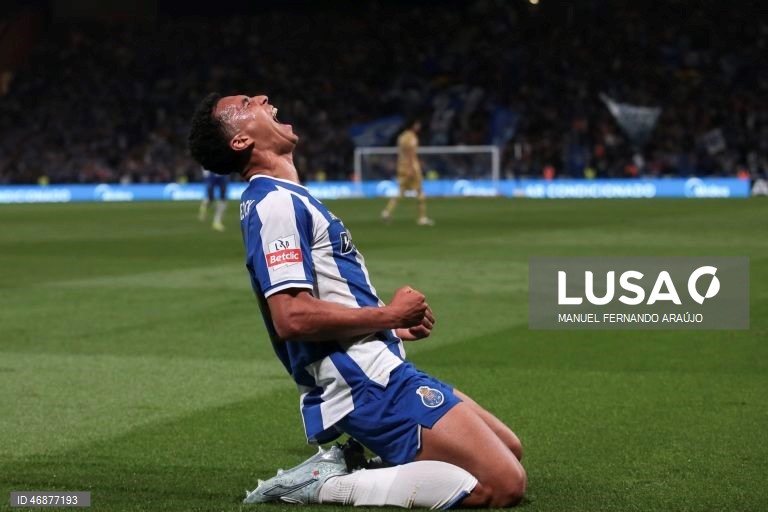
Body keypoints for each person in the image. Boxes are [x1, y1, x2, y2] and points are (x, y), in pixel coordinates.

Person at [188, 92, 526, 508]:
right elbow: (291, 317)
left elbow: (324, 295)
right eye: (245, 102)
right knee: (502, 485)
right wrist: (388, 312)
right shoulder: (274, 204)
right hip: (364, 383)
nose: (261, 97)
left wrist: (386, 325)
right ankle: (327, 485)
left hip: (381, 369)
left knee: (509, 450)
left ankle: (356, 467)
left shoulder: (287, 197)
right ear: (240, 141)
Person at [381, 119, 435, 226]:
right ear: (413, 125)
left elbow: (401, 153)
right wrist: (411, 168)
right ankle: (422, 218)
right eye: (417, 124)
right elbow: (410, 153)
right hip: (411, 168)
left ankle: (386, 212)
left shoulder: (401, 137)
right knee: (420, 191)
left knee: (401, 191)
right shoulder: (412, 137)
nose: (419, 126)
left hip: (401, 166)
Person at [198, 167, 229, 231]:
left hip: (223, 174)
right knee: (211, 198)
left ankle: (217, 222)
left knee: (223, 198)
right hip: (211, 174)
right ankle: (204, 207)